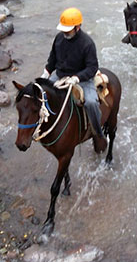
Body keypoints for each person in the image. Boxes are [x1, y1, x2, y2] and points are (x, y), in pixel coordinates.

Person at [40, 8, 107, 153]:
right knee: (41, 94)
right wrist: (46, 73)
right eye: (64, 30)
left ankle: (98, 132)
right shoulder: (59, 38)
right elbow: (52, 59)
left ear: (78, 27)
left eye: (68, 30)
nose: (65, 33)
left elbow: (92, 67)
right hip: (60, 75)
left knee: (91, 102)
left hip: (83, 79)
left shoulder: (87, 43)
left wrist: (76, 78)